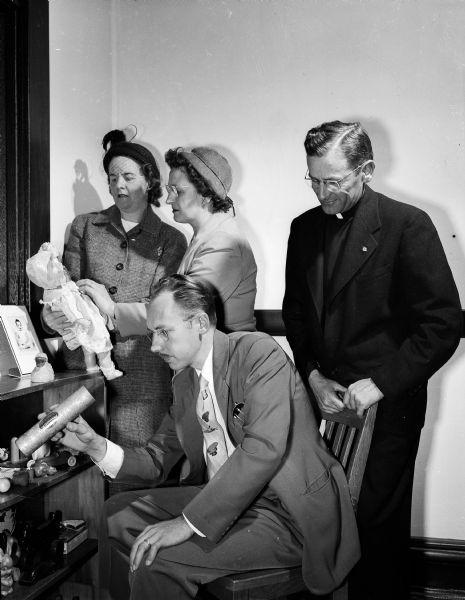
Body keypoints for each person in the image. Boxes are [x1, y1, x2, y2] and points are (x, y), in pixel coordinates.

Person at [55, 274, 360, 600]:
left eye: (163, 332)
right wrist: (98, 448)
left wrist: (187, 523)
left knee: (156, 560)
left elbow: (263, 449)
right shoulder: (185, 382)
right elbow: (157, 457)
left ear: (200, 322)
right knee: (114, 513)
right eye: (151, 334)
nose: (155, 346)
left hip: (287, 514)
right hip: (225, 501)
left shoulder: (259, 354)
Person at [282, 120, 462, 600]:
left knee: (374, 530)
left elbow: (443, 325)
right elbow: (294, 315)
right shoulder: (303, 230)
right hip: (324, 401)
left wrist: (378, 383)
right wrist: (314, 376)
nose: (324, 193)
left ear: (366, 170)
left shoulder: (408, 226)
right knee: (324, 515)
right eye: (314, 180)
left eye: (334, 181)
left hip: (387, 405)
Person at [42, 130, 187, 462]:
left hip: (143, 382)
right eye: (112, 177)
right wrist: (50, 320)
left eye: (128, 176)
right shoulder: (84, 227)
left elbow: (164, 313)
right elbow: (62, 295)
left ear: (149, 181)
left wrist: (112, 310)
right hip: (81, 377)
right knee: (77, 480)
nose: (119, 184)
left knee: (135, 475)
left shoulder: (171, 240)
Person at [95, 145, 257, 337]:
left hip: (226, 359)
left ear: (205, 194)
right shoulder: (209, 236)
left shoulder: (223, 244)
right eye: (169, 190)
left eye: (177, 191)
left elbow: (181, 310)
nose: (169, 200)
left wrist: (112, 309)